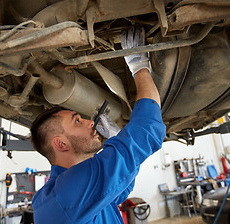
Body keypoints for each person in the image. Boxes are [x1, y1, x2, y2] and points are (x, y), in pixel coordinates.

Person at [30, 26, 166, 223]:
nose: (90, 122)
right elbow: (147, 128)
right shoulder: (65, 195)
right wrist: (139, 68)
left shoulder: (70, 192)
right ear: (61, 144)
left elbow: (120, 189)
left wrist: (116, 139)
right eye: (77, 121)